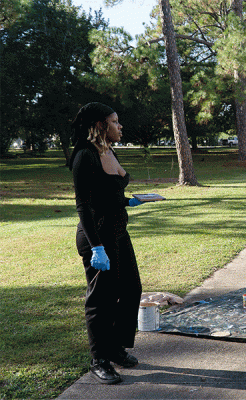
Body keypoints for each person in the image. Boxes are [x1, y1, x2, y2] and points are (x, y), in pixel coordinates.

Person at [69, 102, 146, 385]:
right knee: (101, 299)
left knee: (131, 288)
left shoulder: (107, 150)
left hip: (117, 231)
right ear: (101, 126)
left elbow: (108, 194)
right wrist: (97, 247)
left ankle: (115, 347)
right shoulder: (84, 157)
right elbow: (84, 206)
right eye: (115, 121)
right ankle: (98, 359)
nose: (120, 126)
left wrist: (129, 200)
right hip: (96, 237)